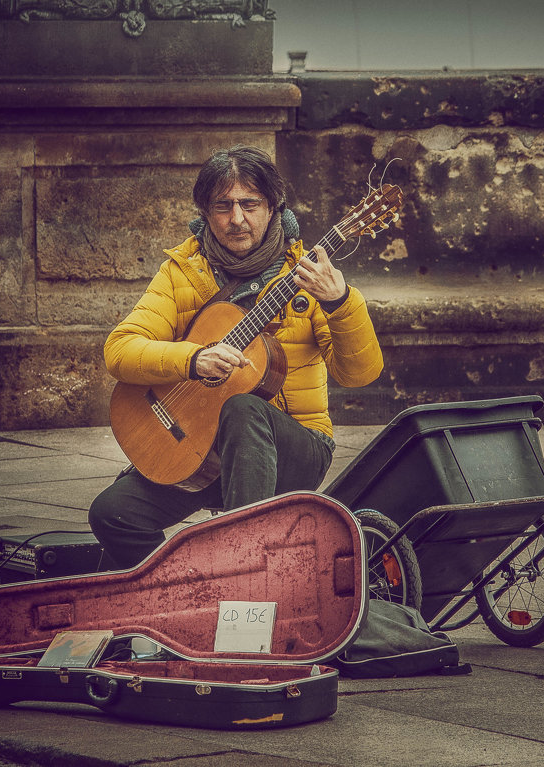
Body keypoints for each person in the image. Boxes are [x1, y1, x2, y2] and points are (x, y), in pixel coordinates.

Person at [88, 145, 384, 569]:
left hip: (293, 447)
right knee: (113, 514)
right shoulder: (183, 272)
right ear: (206, 212)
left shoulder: (307, 275)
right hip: (204, 449)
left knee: (244, 408)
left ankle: (243, 568)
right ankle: (187, 595)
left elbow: (360, 374)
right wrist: (193, 359)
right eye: (223, 206)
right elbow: (120, 350)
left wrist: (340, 303)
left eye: (250, 204)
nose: (237, 218)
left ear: (273, 207)